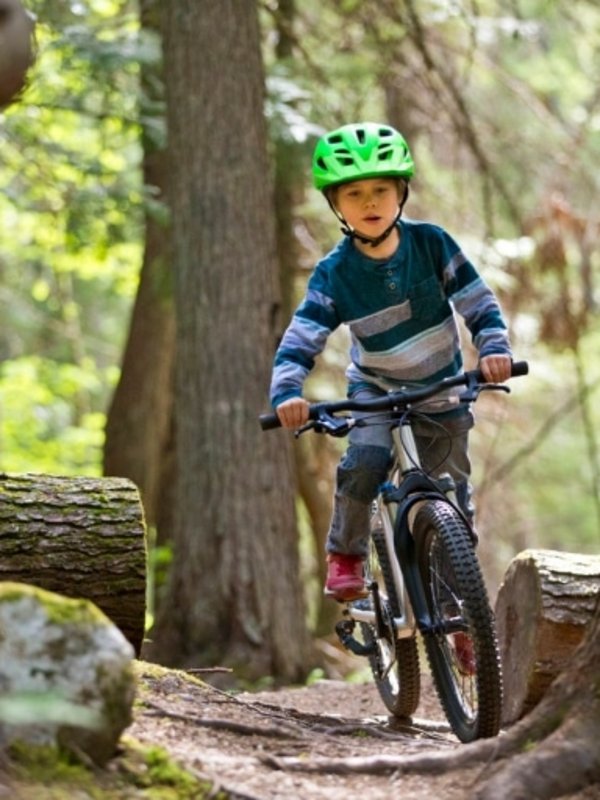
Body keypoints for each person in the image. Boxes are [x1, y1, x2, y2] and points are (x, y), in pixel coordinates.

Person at [269, 121, 512, 603]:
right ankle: (346, 554)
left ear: (401, 191)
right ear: (336, 204)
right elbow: (302, 338)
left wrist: (493, 348)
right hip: (376, 389)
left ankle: (460, 609)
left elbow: (478, 303)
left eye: (380, 189)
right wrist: (287, 392)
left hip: (439, 386)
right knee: (366, 459)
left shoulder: (431, 244)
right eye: (354, 194)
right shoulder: (334, 274)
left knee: (451, 494)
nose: (370, 203)